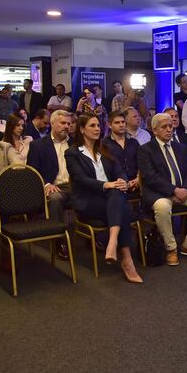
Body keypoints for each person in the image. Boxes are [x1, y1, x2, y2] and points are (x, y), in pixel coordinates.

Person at [66, 114, 143, 283]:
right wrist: (106, 185)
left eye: (98, 126)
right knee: (123, 209)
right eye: (92, 126)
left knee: (117, 196)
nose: (97, 129)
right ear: (82, 129)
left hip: (110, 197)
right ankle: (126, 259)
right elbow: (80, 179)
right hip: (88, 201)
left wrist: (122, 180)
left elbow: (119, 170)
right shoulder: (72, 153)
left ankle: (113, 242)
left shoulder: (104, 149)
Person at [138, 113, 187, 265]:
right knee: (162, 206)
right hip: (159, 194)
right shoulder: (145, 150)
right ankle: (171, 248)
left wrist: (184, 189)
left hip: (183, 191)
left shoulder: (181, 148)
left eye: (170, 126)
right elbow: (150, 177)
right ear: (154, 130)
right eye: (164, 127)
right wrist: (173, 190)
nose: (168, 130)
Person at [26, 109, 73, 259]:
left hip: (75, 184)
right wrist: (46, 184)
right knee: (55, 198)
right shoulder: (38, 145)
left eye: (69, 123)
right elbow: (32, 172)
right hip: (54, 186)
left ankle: (98, 235)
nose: (66, 126)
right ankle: (59, 239)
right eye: (62, 123)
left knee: (98, 190)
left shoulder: (75, 144)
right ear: (52, 123)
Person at [102, 110, 140, 194]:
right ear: (109, 125)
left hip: (136, 184)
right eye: (117, 122)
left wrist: (138, 179)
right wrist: (123, 183)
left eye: (123, 122)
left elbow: (141, 163)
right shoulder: (104, 144)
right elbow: (106, 169)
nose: (121, 125)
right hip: (116, 186)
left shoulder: (134, 142)